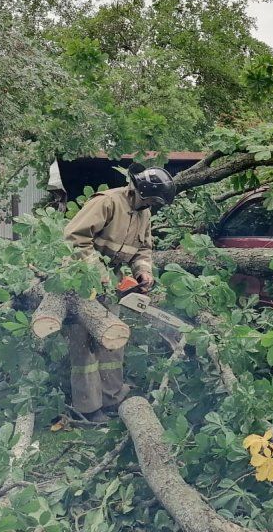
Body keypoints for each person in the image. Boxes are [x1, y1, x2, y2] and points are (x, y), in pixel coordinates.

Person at [62, 167, 176, 422]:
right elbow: (74, 237)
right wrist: (97, 272)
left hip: (110, 281)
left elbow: (143, 249)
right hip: (81, 279)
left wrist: (143, 272)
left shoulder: (143, 213)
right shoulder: (107, 202)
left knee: (113, 340)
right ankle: (88, 408)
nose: (153, 206)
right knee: (85, 348)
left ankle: (112, 398)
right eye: (152, 200)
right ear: (141, 191)